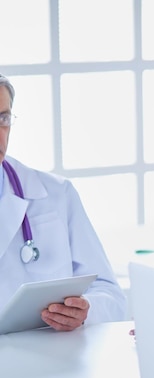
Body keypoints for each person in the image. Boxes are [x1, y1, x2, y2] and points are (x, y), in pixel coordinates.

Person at [0, 73, 127, 330]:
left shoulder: (56, 194)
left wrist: (85, 311)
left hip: (52, 362)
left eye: (3, 118)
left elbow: (110, 295)